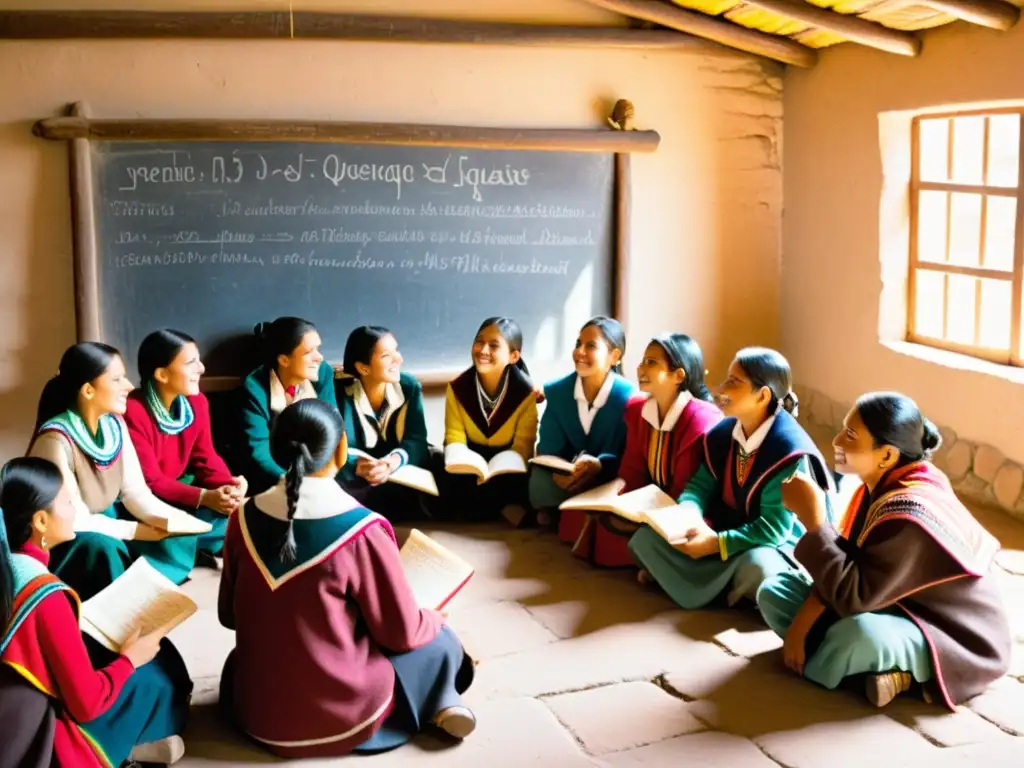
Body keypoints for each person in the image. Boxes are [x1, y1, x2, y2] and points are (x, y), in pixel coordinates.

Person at [218, 400, 475, 758]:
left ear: (276, 449)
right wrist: (431, 618)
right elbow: (399, 633)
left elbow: (228, 616)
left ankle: (441, 702)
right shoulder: (362, 529)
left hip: (257, 708)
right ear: (341, 449)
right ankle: (441, 702)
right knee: (438, 641)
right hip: (336, 712)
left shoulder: (242, 518)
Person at [757, 392, 1011, 709]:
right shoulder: (882, 483)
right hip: (885, 602)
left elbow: (855, 595)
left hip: (948, 632)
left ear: (887, 456)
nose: (836, 440)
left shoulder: (909, 513)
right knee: (773, 591)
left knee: (857, 636)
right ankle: (858, 670)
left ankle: (904, 674)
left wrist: (813, 520)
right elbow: (850, 564)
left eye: (850, 435)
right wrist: (802, 623)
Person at [0, 457, 193, 767]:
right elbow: (87, 705)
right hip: (32, 740)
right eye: (66, 502)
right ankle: (121, 751)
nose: (74, 510)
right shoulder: (44, 594)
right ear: (40, 521)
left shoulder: (9, 565)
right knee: (150, 679)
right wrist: (131, 659)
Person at [629, 347, 832, 607]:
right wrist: (688, 514)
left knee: (757, 568)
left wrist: (716, 544)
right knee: (645, 539)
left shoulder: (787, 451)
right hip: (724, 531)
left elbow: (774, 528)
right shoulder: (723, 434)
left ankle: (688, 582)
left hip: (771, 544)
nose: (721, 388)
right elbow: (699, 486)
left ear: (763, 395)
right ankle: (726, 591)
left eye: (733, 382)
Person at [28, 342, 204, 598]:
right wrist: (137, 531)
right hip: (66, 538)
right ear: (88, 390)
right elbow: (75, 520)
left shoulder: (115, 425)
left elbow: (135, 493)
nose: (129, 387)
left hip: (100, 522)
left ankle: (140, 581)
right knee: (103, 546)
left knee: (177, 533)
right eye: (117, 379)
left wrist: (173, 520)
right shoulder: (55, 440)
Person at [571, 334, 722, 567]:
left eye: (652, 362)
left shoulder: (701, 418)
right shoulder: (637, 409)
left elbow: (687, 489)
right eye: (643, 361)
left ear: (678, 375)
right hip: (650, 503)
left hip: (687, 508)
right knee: (588, 517)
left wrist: (646, 514)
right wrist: (614, 500)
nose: (641, 368)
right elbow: (632, 469)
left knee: (658, 536)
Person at [123, 329, 248, 581]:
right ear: (161, 374)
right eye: (191, 362)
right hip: (147, 499)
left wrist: (228, 486)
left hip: (183, 493)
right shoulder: (132, 411)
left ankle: (195, 545)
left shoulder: (197, 402)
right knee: (165, 532)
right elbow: (151, 481)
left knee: (242, 516)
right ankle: (188, 550)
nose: (201, 368)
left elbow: (206, 458)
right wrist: (205, 497)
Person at [530, 317, 637, 533]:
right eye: (578, 344)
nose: (579, 352)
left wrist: (598, 465)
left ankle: (574, 514)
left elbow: (627, 452)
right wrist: (558, 472)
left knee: (625, 486)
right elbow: (548, 446)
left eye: (591, 346)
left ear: (614, 356)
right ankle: (568, 511)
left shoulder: (628, 398)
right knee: (539, 481)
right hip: (565, 476)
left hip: (606, 476)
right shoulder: (558, 392)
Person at [441, 317, 538, 522]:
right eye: (479, 342)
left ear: (513, 356)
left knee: (529, 477)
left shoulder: (526, 392)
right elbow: (454, 436)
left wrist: (506, 465)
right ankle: (500, 508)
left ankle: (487, 506)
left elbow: (523, 445)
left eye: (494, 346)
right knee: (439, 468)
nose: (483, 350)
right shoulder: (457, 387)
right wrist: (464, 460)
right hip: (470, 461)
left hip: (506, 466)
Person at [335, 326, 432, 521]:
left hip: (396, 471)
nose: (399, 358)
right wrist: (358, 465)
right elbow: (333, 442)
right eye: (386, 356)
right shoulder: (338, 391)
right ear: (364, 368)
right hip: (356, 474)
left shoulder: (408, 387)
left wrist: (392, 462)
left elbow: (416, 439)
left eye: (397, 350)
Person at [239, 317, 338, 494]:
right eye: (309, 352)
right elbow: (259, 449)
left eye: (318, 348)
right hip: (273, 473)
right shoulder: (255, 386)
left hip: (316, 468)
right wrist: (293, 481)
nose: (319, 357)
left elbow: (333, 428)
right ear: (284, 360)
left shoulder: (322, 372)